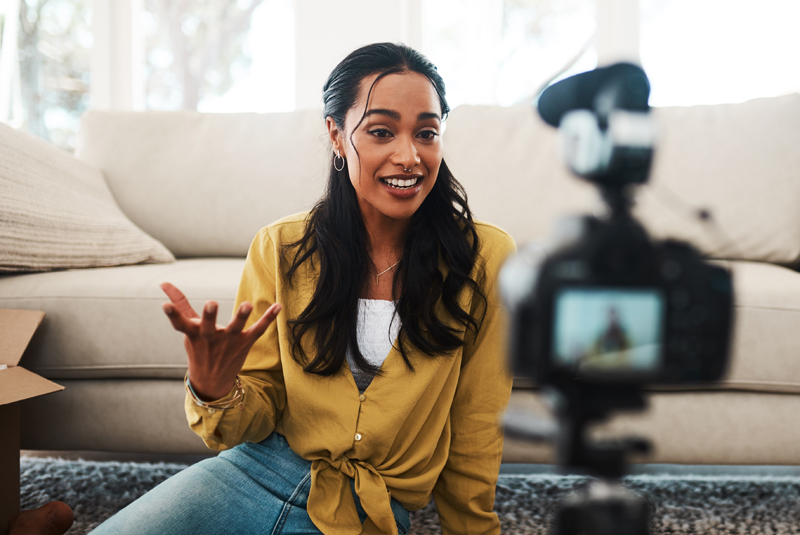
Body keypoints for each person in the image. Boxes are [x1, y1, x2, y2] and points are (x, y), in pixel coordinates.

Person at [78, 42, 514, 535]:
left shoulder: (483, 258)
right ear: (336, 134)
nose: (409, 155)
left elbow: (477, 422)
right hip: (252, 472)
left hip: (369, 507)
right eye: (381, 131)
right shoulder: (281, 247)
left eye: (427, 133)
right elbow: (255, 414)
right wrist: (214, 387)